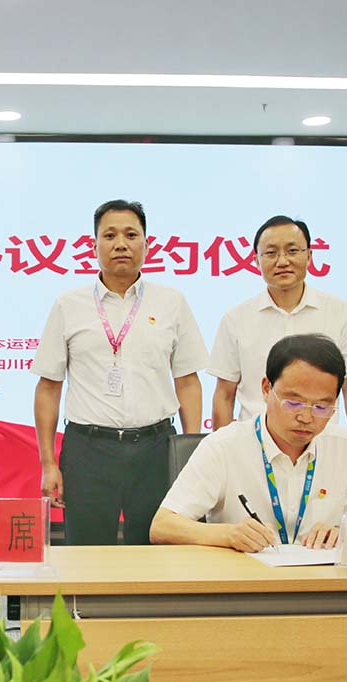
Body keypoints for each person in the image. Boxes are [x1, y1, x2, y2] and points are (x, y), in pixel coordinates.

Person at [32, 199, 209, 545]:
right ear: (94, 245)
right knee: (86, 553)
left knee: (157, 549)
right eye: (109, 235)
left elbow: (188, 381)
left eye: (131, 234)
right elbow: (48, 388)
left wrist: (190, 454)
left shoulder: (171, 302)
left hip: (156, 449)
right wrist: (48, 464)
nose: (121, 244)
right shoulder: (69, 305)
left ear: (147, 243)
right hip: (88, 450)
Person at [151, 334, 347, 550]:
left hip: (321, 578)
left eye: (321, 407)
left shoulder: (345, 447)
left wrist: (344, 534)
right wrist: (228, 534)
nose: (306, 417)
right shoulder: (224, 446)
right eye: (293, 403)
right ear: (266, 389)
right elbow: (162, 526)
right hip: (244, 577)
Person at [209, 215, 347, 451]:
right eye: (271, 253)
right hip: (253, 449)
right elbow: (225, 394)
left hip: (321, 447)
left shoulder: (339, 312)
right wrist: (221, 454)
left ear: (309, 256)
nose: (282, 261)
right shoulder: (236, 318)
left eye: (292, 251)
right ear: (256, 261)